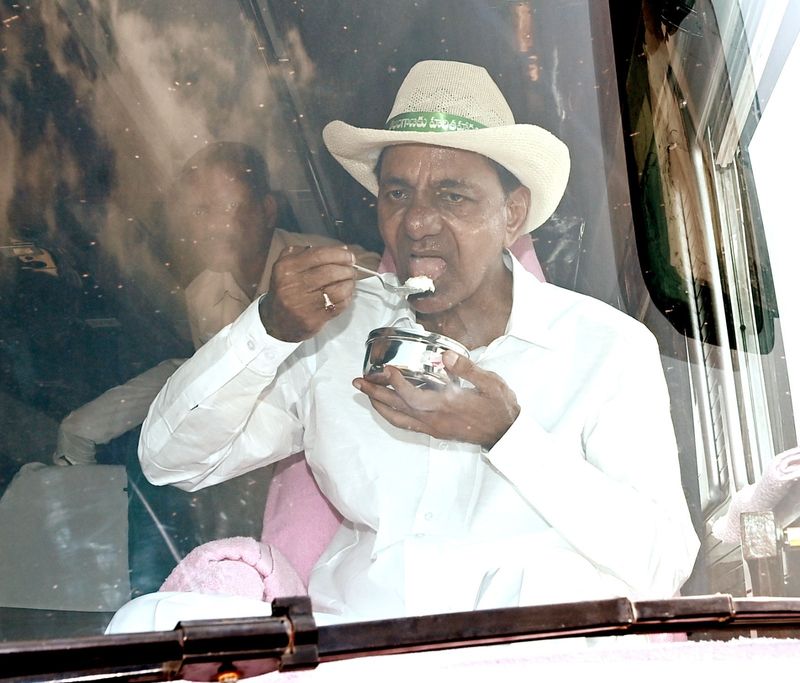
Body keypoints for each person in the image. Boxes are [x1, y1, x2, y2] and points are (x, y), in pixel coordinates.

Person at [110, 60, 699, 629]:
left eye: (452, 196)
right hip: (352, 654)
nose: (417, 222)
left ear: (512, 215)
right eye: (397, 194)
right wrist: (265, 330)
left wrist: (508, 436)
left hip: (524, 654)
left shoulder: (605, 347)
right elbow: (170, 461)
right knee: (147, 619)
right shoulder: (335, 331)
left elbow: (661, 565)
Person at [53, 142, 379, 466]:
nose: (210, 227)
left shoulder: (340, 272)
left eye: (228, 207)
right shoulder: (202, 295)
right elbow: (213, 394)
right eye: (199, 211)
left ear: (267, 210)